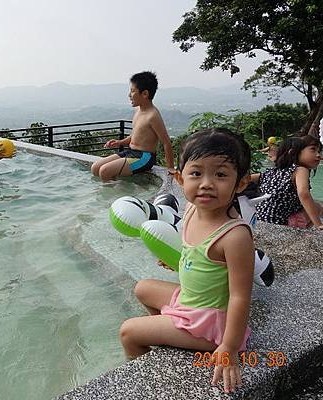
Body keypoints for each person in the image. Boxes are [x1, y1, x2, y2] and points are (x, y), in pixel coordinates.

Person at [119, 128, 255, 394]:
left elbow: (240, 297)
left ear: (240, 183)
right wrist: (178, 263)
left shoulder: (235, 236)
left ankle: (150, 384)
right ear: (180, 179)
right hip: (191, 301)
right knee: (143, 288)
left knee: (128, 332)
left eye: (220, 174)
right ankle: (169, 340)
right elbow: (198, 257)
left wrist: (228, 347)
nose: (206, 183)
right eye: (196, 173)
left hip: (211, 322)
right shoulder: (193, 209)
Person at [90, 71, 175, 181]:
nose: (129, 95)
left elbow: (166, 142)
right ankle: (116, 185)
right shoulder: (138, 110)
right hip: (130, 152)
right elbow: (135, 135)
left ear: (145, 94)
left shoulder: (153, 116)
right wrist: (119, 142)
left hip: (144, 157)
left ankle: (113, 194)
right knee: (95, 168)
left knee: (104, 171)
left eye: (132, 91)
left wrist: (171, 168)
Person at [252, 135, 323, 228]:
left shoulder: (273, 171)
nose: (318, 155)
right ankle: (304, 231)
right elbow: (303, 194)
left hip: (259, 220)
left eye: (319, 151)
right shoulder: (300, 170)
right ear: (293, 152)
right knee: (318, 207)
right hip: (279, 223)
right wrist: (319, 224)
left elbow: (248, 178)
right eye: (313, 150)